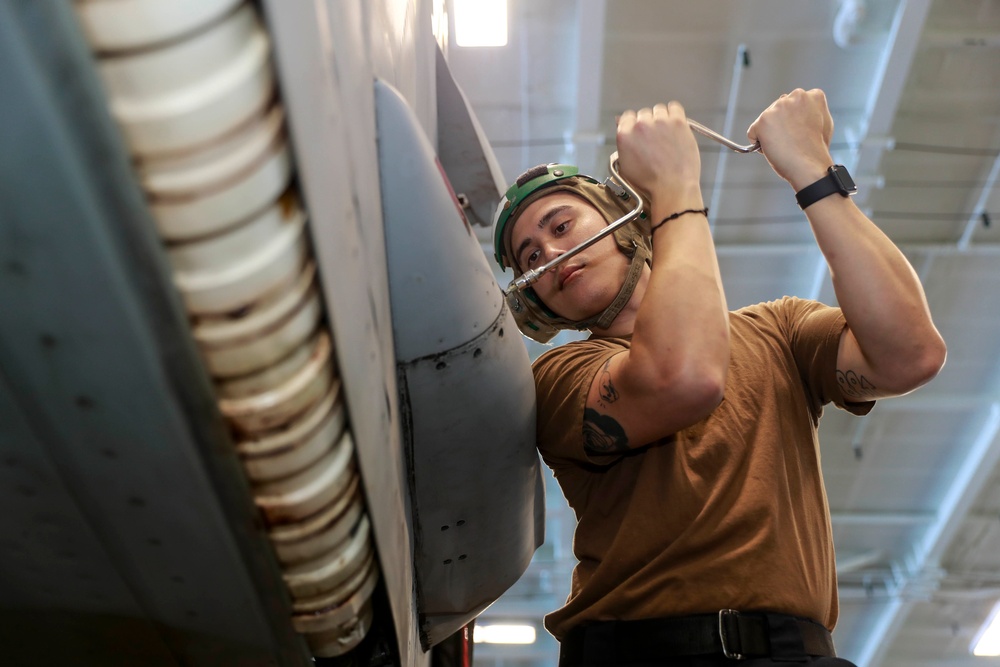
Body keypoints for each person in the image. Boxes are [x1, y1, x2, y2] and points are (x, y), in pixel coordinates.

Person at [490, 89, 947, 667]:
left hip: (794, 653)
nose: (552, 252)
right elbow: (684, 379)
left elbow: (910, 354)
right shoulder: (558, 377)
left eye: (561, 224)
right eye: (530, 258)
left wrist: (811, 169)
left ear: (622, 220)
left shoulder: (777, 331)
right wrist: (675, 190)